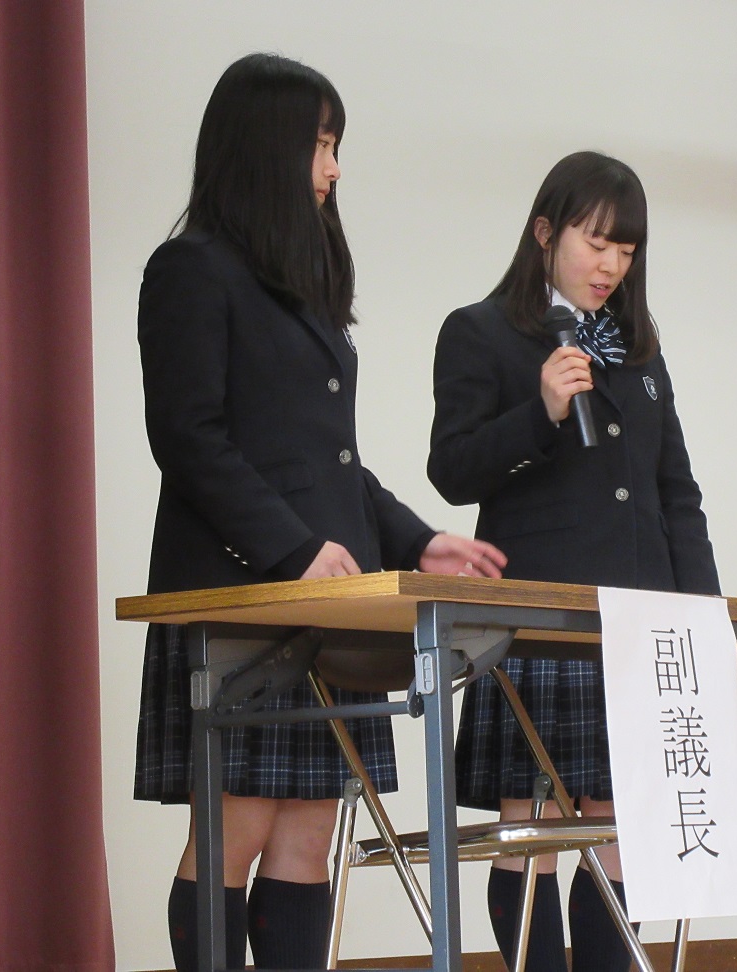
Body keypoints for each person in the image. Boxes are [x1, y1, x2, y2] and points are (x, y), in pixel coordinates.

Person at [133, 52, 506, 972]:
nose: (335, 168)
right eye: (323, 143)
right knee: (236, 833)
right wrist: (293, 550)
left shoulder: (302, 291)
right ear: (269, 146)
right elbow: (188, 438)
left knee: (307, 840)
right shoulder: (190, 269)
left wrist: (418, 541)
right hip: (242, 600)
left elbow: (333, 465)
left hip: (326, 607)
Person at [428, 150, 720, 972]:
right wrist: (542, 410)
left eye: (626, 250)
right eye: (597, 243)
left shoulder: (639, 349)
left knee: (621, 832)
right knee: (534, 830)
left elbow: (676, 494)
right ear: (544, 231)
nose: (611, 265)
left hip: (640, 622)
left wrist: (704, 617)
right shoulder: (481, 331)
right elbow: (452, 470)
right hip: (540, 619)